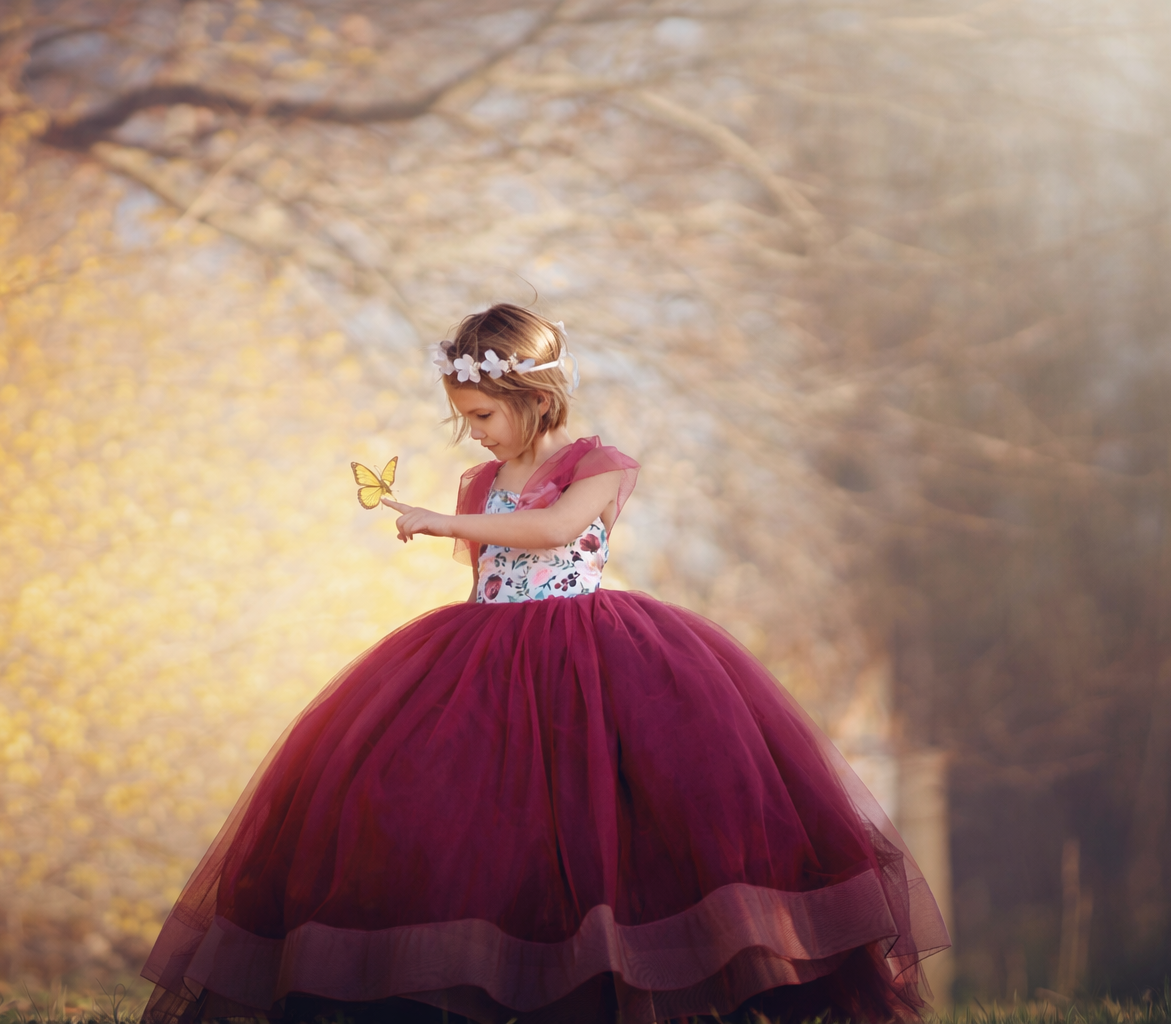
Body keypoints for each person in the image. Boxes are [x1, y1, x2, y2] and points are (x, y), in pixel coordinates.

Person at [140, 304, 949, 1024]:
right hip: (483, 659)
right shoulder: (482, 479)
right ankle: (436, 988)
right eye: (464, 419)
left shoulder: (600, 466)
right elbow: (488, 575)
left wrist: (435, 519)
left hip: (589, 660)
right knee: (435, 813)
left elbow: (557, 531)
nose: (477, 434)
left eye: (485, 414)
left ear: (536, 398)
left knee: (613, 822)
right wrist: (454, 519)